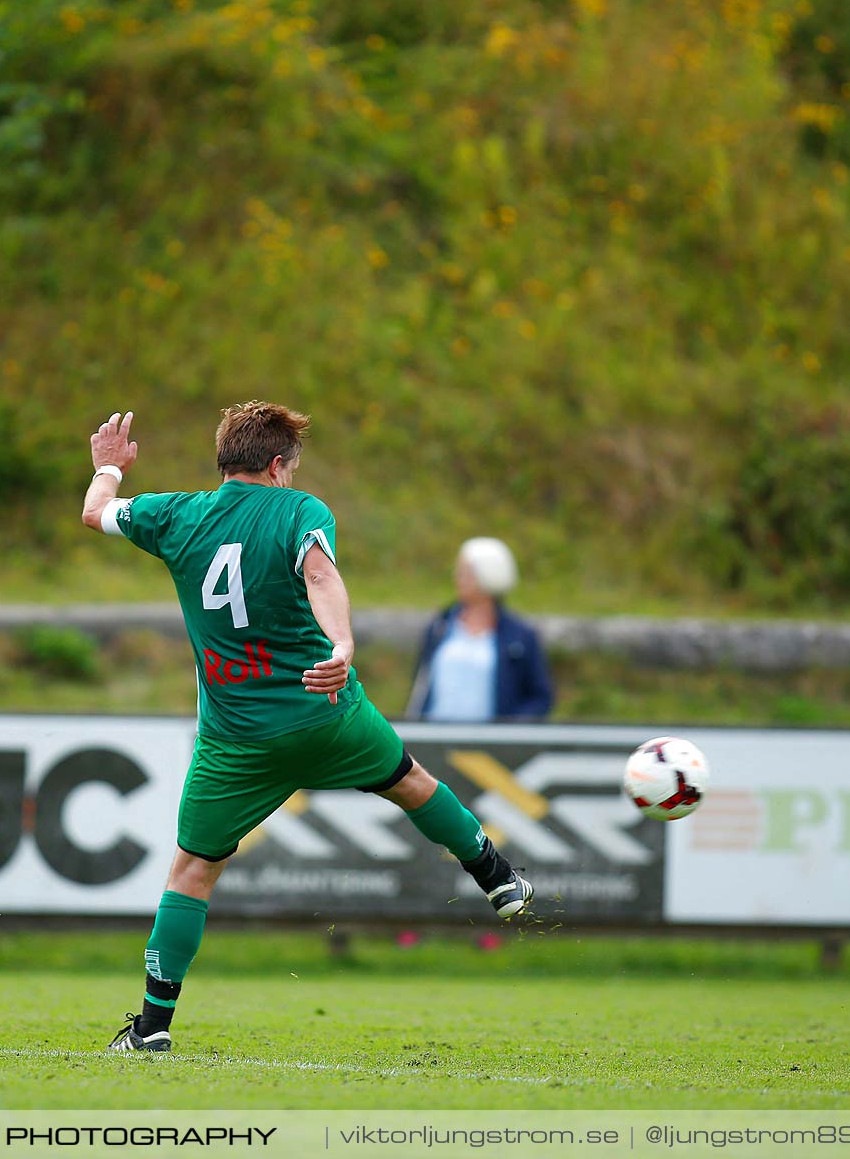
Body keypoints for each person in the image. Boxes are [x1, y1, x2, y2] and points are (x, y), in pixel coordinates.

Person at [81, 404, 534, 1054]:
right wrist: (342, 643)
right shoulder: (299, 512)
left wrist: (108, 467)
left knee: (191, 874)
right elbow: (320, 572)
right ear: (276, 465)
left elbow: (96, 512)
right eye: (290, 466)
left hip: (236, 743)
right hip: (325, 712)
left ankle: (153, 1027)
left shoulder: (173, 515)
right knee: (410, 782)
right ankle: (496, 876)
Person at [405, 537, 554, 722]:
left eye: (467, 572)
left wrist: (513, 731)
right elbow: (421, 685)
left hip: (490, 744)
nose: (458, 578)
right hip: (436, 736)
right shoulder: (439, 628)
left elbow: (540, 697)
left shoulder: (520, 637)